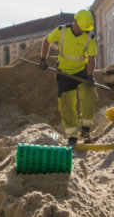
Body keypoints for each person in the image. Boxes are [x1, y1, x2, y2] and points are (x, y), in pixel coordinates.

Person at [40, 9, 98, 148]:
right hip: (64, 73)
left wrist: (90, 75)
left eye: (86, 29)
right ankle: (72, 136)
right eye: (82, 28)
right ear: (75, 22)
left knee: (89, 95)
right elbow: (46, 40)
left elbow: (91, 58)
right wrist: (43, 59)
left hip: (82, 72)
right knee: (66, 104)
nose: (84, 31)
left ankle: (85, 129)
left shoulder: (90, 36)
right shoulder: (62, 30)